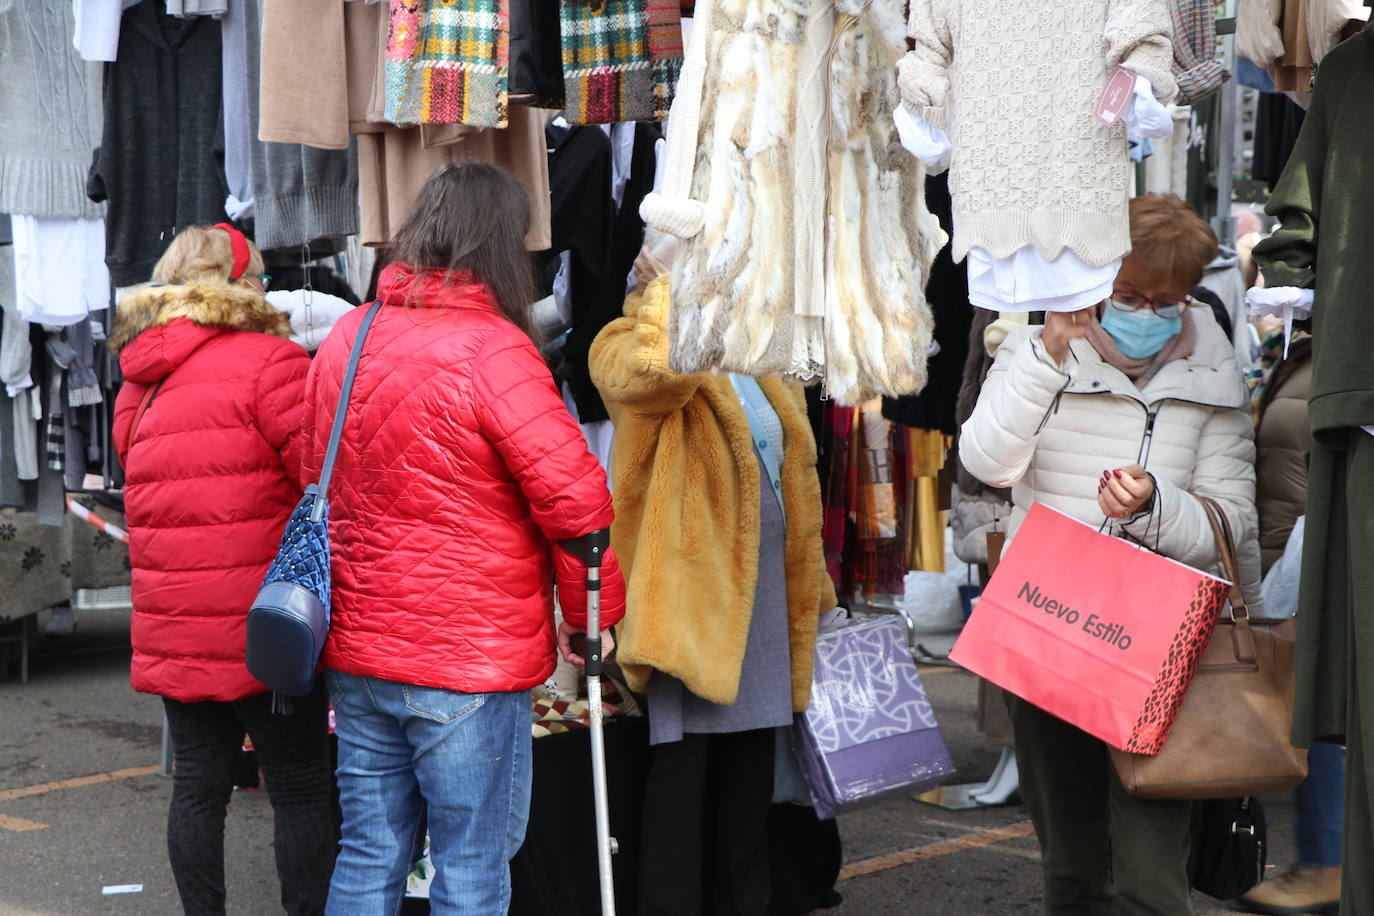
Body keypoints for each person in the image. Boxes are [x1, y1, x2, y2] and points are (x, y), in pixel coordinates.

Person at [303, 163, 625, 915]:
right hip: (467, 656)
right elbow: (575, 500)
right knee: (471, 865)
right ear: (502, 247)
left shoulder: (352, 335)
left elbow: (306, 462)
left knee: (368, 851)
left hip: (357, 643)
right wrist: (591, 619)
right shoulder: (496, 350)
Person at [959, 194, 1264, 914]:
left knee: (1151, 878)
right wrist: (1048, 353)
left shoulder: (1213, 373)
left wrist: (1156, 504)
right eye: (1129, 294)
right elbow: (987, 461)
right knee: (1070, 868)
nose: (1148, 310)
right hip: (1049, 626)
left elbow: (1233, 520)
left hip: (1161, 644)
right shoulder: (1037, 347)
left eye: (1167, 298)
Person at [590, 245, 839, 915]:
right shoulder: (620, 342)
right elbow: (656, 376)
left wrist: (816, 596)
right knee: (683, 787)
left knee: (749, 790)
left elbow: (796, 479)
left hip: (762, 604)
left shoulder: (755, 353)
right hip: (690, 610)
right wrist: (665, 293)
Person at [110, 224, 335, 916]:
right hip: (263, 627)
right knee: (299, 783)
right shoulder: (272, 363)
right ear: (243, 284)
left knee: (198, 783)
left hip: (174, 623)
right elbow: (318, 477)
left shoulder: (139, 381)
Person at [1236, 328, 1343, 914]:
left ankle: (1327, 861)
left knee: (1327, 711)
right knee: (1320, 710)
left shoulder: (1342, 345)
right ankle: (1324, 858)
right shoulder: (1304, 344)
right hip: (1296, 557)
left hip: (1322, 558)